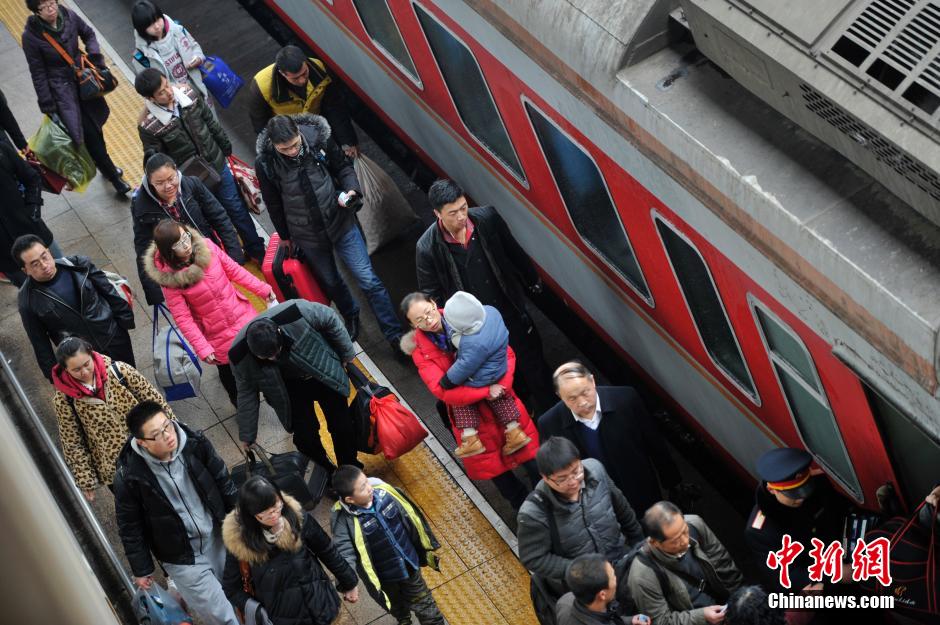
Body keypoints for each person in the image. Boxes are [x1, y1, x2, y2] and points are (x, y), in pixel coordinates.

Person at [256, 114, 402, 350]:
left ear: (299, 132)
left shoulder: (318, 140)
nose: (292, 151)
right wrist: (285, 236)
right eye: (285, 148)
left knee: (369, 280)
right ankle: (350, 314)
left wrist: (352, 190)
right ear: (273, 145)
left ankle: (394, 334)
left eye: (295, 144)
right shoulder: (265, 163)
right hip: (306, 235)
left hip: (340, 222)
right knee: (332, 282)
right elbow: (273, 203)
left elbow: (343, 167)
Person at [416, 178, 554, 414]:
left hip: (509, 311)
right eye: (453, 213)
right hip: (476, 332)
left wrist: (533, 281)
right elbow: (432, 296)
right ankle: (527, 416)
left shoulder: (487, 219)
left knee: (536, 369)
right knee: (504, 377)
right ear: (437, 214)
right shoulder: (427, 248)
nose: (461, 217)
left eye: (463, 208)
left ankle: (553, 418)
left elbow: (513, 251)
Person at [401, 291, 540, 510]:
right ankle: (529, 515)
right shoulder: (420, 353)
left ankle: (549, 506)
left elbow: (505, 353)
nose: (428, 320)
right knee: (504, 482)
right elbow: (442, 391)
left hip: (498, 401)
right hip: (474, 420)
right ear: (412, 324)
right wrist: (487, 391)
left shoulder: (465, 314)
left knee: (534, 464)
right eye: (420, 320)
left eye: (428, 312)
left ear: (433, 303)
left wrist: (502, 383)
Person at [114, 400, 239, 625]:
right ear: (142, 442)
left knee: (241, 597)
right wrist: (141, 569)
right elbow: (130, 526)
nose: (167, 435)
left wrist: (242, 519)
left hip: (217, 536)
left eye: (167, 426)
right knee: (223, 616)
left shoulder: (195, 443)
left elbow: (223, 481)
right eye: (157, 435)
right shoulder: (130, 476)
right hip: (182, 558)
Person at [134, 69, 265, 262]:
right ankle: (229, 259)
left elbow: (211, 122)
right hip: (191, 180)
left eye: (167, 85)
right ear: (150, 98)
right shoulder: (148, 126)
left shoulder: (188, 94)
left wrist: (226, 148)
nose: (169, 92)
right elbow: (155, 158)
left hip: (217, 164)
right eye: (161, 92)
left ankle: (256, 250)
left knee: (236, 209)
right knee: (209, 220)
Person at [143, 221, 274, 406]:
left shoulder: (207, 247)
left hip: (241, 314)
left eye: (185, 237)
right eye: (178, 245)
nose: (186, 245)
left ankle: (273, 396)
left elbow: (234, 271)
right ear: (168, 251)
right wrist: (202, 347)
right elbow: (183, 317)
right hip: (215, 333)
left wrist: (262, 289)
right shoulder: (171, 280)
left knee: (261, 359)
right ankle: (241, 404)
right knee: (230, 372)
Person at [228, 300, 360, 472]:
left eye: (277, 352)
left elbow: (330, 319)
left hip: (322, 373)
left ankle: (350, 470)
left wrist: (347, 353)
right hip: (288, 389)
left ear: (279, 332)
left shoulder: (297, 311)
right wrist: (247, 434)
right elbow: (247, 392)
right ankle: (326, 474)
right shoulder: (239, 357)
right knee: (305, 438)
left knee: (342, 426)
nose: (274, 359)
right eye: (267, 358)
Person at [539, 362, 682, 516]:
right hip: (597, 504)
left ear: (593, 381)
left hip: (641, 490)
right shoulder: (550, 423)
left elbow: (653, 442)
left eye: (585, 392)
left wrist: (672, 482)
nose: (582, 402)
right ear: (560, 396)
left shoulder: (625, 399)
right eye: (572, 399)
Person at [21, 0, 131, 195]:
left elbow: (88, 32)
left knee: (95, 130)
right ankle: (114, 177)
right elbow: (38, 73)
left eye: (52, 3)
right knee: (89, 134)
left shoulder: (69, 15)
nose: (51, 9)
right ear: (35, 11)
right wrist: (47, 105)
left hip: (85, 82)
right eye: (45, 7)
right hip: (63, 94)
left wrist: (95, 56)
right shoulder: (31, 36)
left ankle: (104, 164)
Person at [221, 476, 359, 625]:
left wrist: (349, 582)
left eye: (277, 506)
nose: (275, 515)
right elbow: (231, 588)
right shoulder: (240, 543)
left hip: (323, 607)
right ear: (252, 516)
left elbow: (326, 549)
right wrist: (259, 611)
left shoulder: (297, 517)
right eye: (266, 513)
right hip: (283, 619)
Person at [52, 336, 176, 502]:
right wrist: (85, 479)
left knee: (173, 498)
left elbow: (155, 401)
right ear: (65, 369)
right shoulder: (64, 400)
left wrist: (176, 430)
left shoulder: (119, 371)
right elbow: (72, 440)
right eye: (76, 370)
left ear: (91, 354)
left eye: (86, 364)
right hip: (117, 468)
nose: (84, 372)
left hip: (152, 449)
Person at [518, 437, 644, 593]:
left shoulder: (596, 470)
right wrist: (579, 571)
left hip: (622, 562)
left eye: (576, 471)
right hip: (587, 587)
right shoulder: (534, 513)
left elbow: (622, 508)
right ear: (545, 477)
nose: (573, 482)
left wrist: (638, 541)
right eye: (562, 479)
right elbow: (533, 558)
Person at [331, 465, 445, 625]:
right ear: (350, 499)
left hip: (409, 565)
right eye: (363, 488)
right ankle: (403, 619)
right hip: (384, 579)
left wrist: (425, 547)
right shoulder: (344, 521)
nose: (369, 488)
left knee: (427, 606)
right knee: (396, 606)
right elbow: (343, 552)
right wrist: (348, 583)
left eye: (367, 481)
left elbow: (412, 518)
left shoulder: (386, 494)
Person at [14, 235, 135, 380]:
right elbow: (40, 343)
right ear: (25, 270)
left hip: (113, 336)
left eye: (44, 257)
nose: (44, 265)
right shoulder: (27, 301)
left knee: (134, 379)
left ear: (49, 251)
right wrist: (56, 378)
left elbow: (108, 291)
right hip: (82, 359)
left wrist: (124, 322)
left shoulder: (78, 264)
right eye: (35, 264)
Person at [132, 152, 243, 305]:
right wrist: (153, 292)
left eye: (171, 178)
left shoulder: (192, 184)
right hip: (180, 274)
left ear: (176, 170)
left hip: (209, 257)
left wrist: (234, 255)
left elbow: (219, 218)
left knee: (229, 299)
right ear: (150, 182)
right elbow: (143, 249)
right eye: (160, 183)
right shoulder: (141, 207)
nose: (168, 186)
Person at [439, 291, 531, 458]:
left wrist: (447, 381)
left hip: (483, 376)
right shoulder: (492, 311)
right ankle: (514, 430)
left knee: (460, 399)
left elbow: (463, 367)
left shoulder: (470, 343)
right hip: (499, 365)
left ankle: (470, 438)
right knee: (498, 396)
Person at [744, 448, 848, 594]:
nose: (801, 498)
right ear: (772, 489)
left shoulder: (818, 483)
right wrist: (834, 573)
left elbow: (840, 511)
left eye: (804, 489)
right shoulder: (760, 532)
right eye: (793, 494)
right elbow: (787, 577)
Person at [627, 502, 743, 625]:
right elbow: (661, 621)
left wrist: (740, 599)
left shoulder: (694, 524)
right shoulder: (643, 575)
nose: (685, 541)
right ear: (655, 543)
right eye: (675, 540)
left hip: (724, 605)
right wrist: (702, 616)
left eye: (685, 531)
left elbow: (723, 563)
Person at [246, 45, 358, 157]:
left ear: (306, 62)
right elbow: (261, 126)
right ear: (282, 73)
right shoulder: (261, 87)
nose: (302, 80)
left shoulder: (320, 70)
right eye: (295, 78)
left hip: (319, 127)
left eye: (304, 73)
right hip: (289, 137)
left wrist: (347, 142)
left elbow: (335, 109)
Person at [0, 139, 61, 287]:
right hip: (5, 256)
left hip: (34, 233)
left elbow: (32, 177)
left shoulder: (2, 150)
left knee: (65, 275)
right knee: (37, 297)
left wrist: (33, 210)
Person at [130, 1, 208, 100]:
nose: (157, 26)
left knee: (211, 115)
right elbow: (149, 87)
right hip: (177, 100)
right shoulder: (141, 57)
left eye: (158, 20)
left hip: (200, 88)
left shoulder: (178, 30)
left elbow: (194, 46)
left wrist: (198, 58)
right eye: (150, 25)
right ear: (141, 29)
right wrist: (174, 87)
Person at [555, 554, 650, 625]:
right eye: (613, 576)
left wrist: (628, 621)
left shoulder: (565, 601)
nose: (616, 578)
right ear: (602, 594)